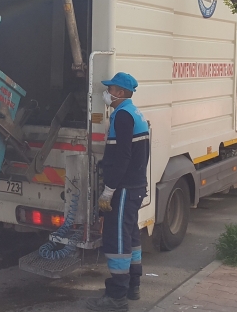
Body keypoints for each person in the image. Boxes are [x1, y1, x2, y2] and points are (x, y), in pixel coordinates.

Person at [86, 72, 150, 312]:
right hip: (135, 185)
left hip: (123, 189)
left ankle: (117, 298)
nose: (107, 93)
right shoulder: (135, 113)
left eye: (110, 89)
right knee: (132, 238)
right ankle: (133, 286)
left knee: (118, 241)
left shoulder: (122, 116)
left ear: (120, 93)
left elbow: (123, 157)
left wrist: (109, 189)